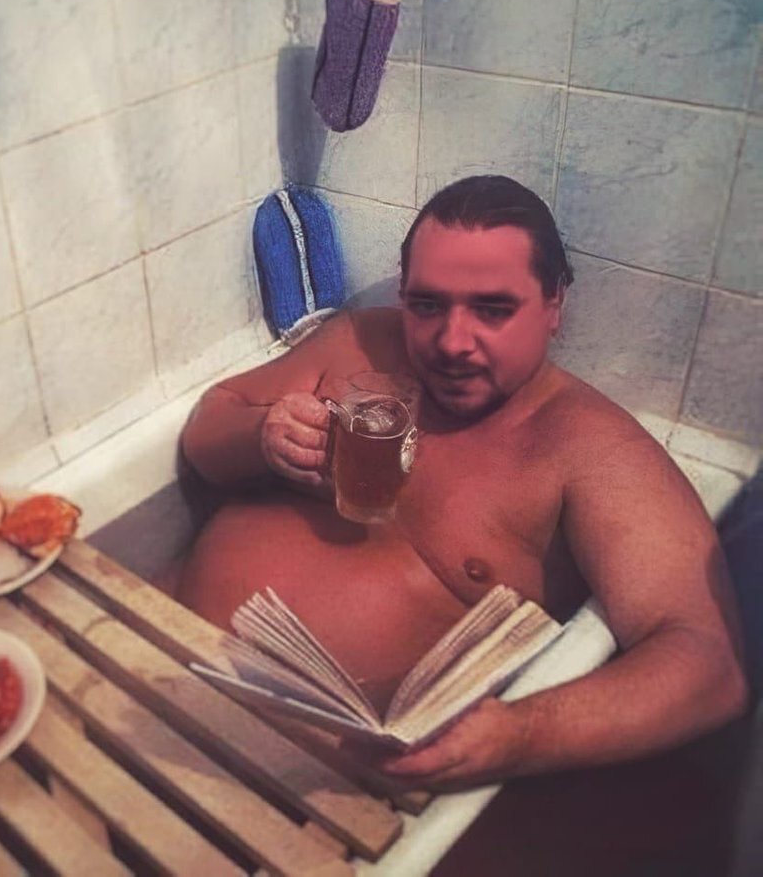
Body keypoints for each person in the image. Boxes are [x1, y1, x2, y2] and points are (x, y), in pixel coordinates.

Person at [176, 175, 748, 794]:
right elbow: (207, 433)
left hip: (310, 778)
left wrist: (521, 735)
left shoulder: (589, 451)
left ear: (554, 304)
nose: (452, 342)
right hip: (156, 645)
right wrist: (261, 436)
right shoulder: (361, 343)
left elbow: (708, 664)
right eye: (427, 305)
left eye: (493, 310)